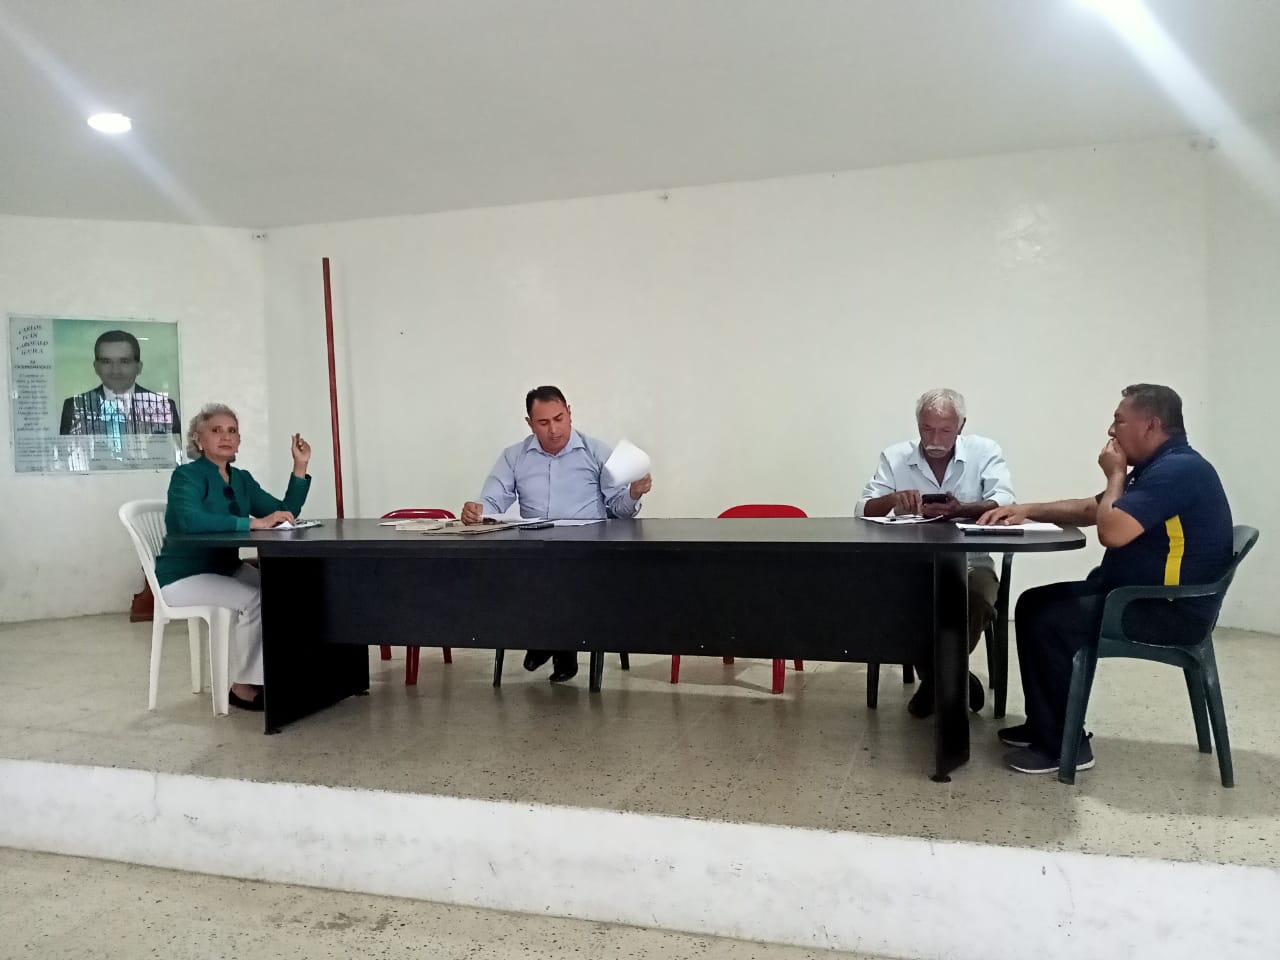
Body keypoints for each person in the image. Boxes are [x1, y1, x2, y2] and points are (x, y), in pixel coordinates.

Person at [980, 384, 1232, 775]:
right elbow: (1093, 508)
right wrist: (1026, 510)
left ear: (1151, 425)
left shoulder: (1180, 471)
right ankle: (1047, 725)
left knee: (1051, 620)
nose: (1111, 431)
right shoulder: (1160, 467)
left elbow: (1111, 531)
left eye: (1119, 420)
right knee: (1032, 604)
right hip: (1132, 597)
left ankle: (1065, 747)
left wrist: (1116, 474)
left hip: (1167, 610)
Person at [462, 385, 653, 682]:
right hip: (536, 551)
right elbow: (492, 501)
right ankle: (555, 644)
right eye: (543, 422)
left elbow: (619, 508)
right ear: (530, 424)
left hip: (588, 551)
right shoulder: (514, 457)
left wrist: (633, 493)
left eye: (559, 418)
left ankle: (550, 644)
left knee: (564, 574)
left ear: (569, 413)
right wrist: (477, 511)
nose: (554, 429)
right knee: (515, 574)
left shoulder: (596, 452)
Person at [856, 388, 1015, 717]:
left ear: (961, 426)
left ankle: (934, 681)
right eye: (927, 429)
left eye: (945, 430)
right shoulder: (895, 456)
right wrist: (892, 500)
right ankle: (951, 679)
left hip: (971, 561)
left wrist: (963, 508)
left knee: (976, 599)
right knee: (908, 600)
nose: (935, 439)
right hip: (911, 563)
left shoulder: (984, 451)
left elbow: (1005, 501)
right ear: (917, 425)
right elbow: (862, 510)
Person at [154, 403, 312, 711]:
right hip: (183, 576)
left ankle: (281, 671)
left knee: (283, 589)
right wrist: (250, 523)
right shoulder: (186, 476)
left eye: (232, 431)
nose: (226, 436)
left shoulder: (241, 479)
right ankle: (243, 687)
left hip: (224, 568)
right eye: (216, 430)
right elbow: (188, 520)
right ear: (199, 440)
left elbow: (283, 512)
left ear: (239, 441)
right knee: (256, 599)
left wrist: (300, 467)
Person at [59, 329, 181, 435]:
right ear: (96, 367)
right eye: (106, 362)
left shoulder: (164, 406)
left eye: (124, 361)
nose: (115, 371)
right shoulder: (74, 407)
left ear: (138, 367)